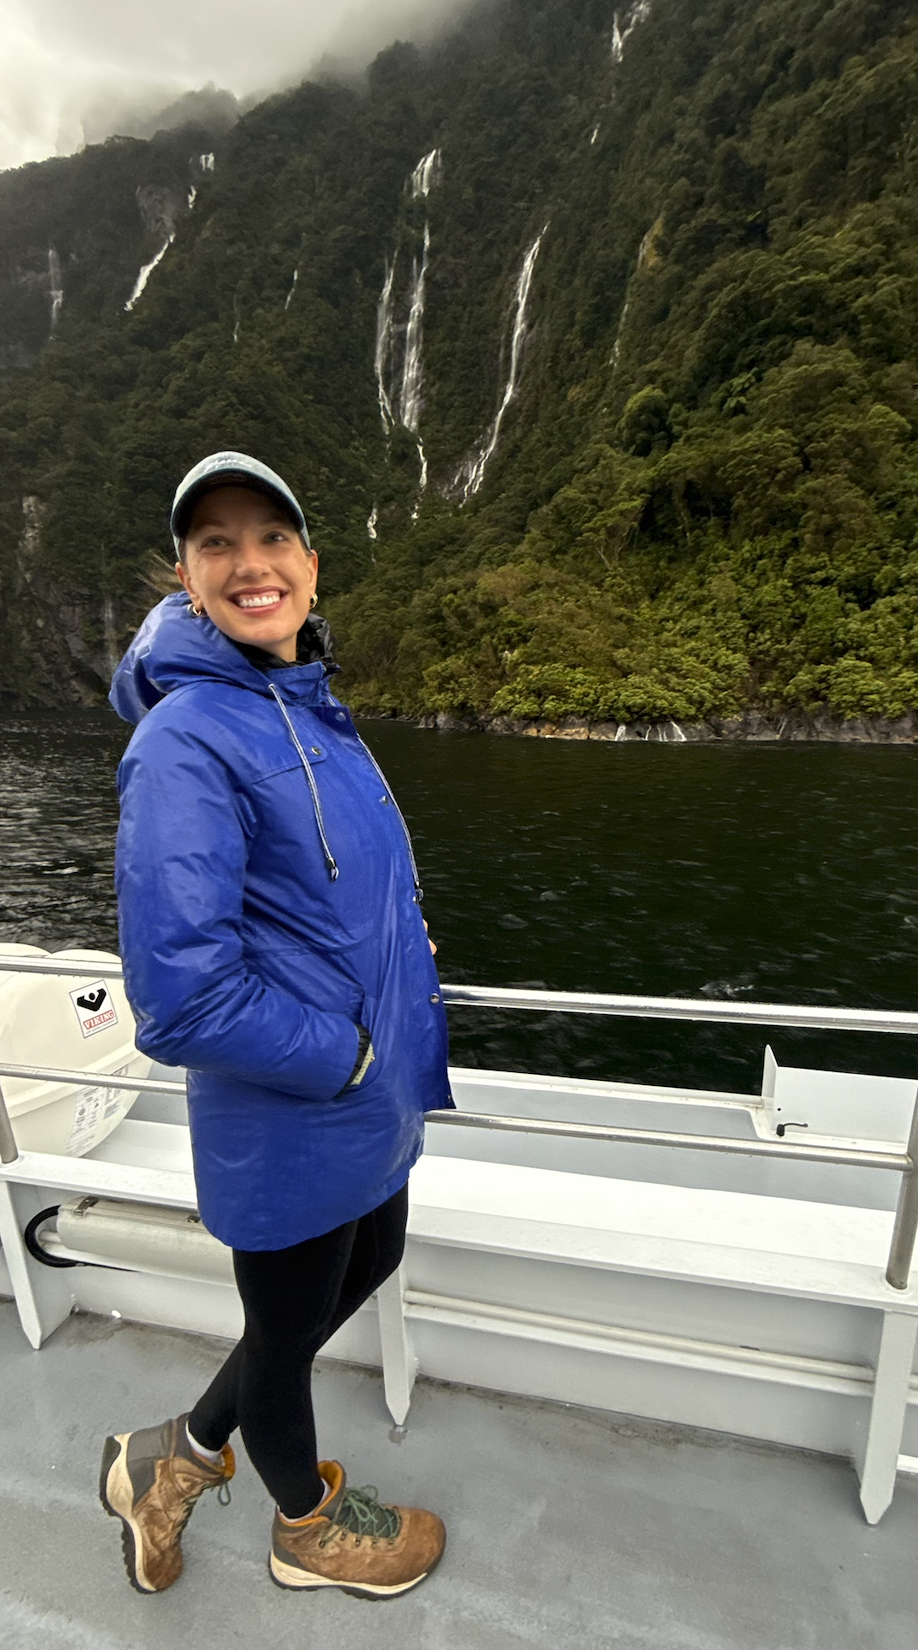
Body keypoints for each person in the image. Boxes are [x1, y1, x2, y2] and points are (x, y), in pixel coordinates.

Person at [100, 451, 452, 1599]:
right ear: (187, 580)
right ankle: (306, 1530)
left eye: (270, 539)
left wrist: (403, 981)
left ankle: (176, 1457)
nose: (249, 564)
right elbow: (183, 992)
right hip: (295, 1112)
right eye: (216, 546)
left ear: (309, 562)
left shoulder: (307, 703)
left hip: (370, 1097)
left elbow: (341, 898)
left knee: (376, 1258)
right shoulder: (188, 739)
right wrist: (346, 1053)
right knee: (288, 1344)